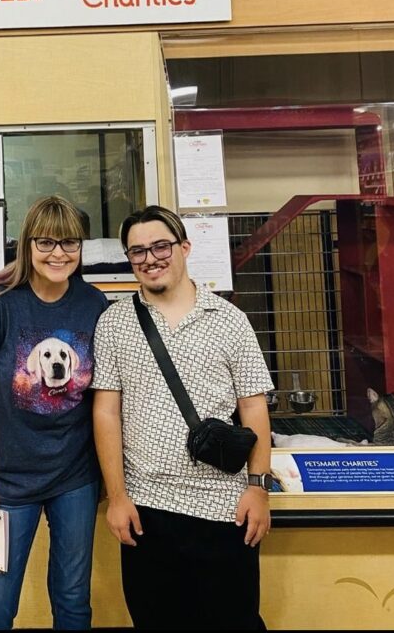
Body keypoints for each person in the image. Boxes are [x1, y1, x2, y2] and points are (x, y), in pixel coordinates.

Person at [92, 205, 273, 631]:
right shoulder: (114, 323)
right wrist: (117, 497)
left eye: (160, 246)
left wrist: (258, 488)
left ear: (184, 247)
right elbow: (106, 411)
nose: (150, 258)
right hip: (147, 508)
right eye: (137, 251)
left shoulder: (229, 320)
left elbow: (253, 406)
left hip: (225, 508)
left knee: (235, 621)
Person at [0, 195, 108, 630]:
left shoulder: (94, 305)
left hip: (75, 477)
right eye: (46, 242)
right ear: (27, 244)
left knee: (73, 600)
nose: (58, 253)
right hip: (9, 482)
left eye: (70, 243)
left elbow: (105, 400)